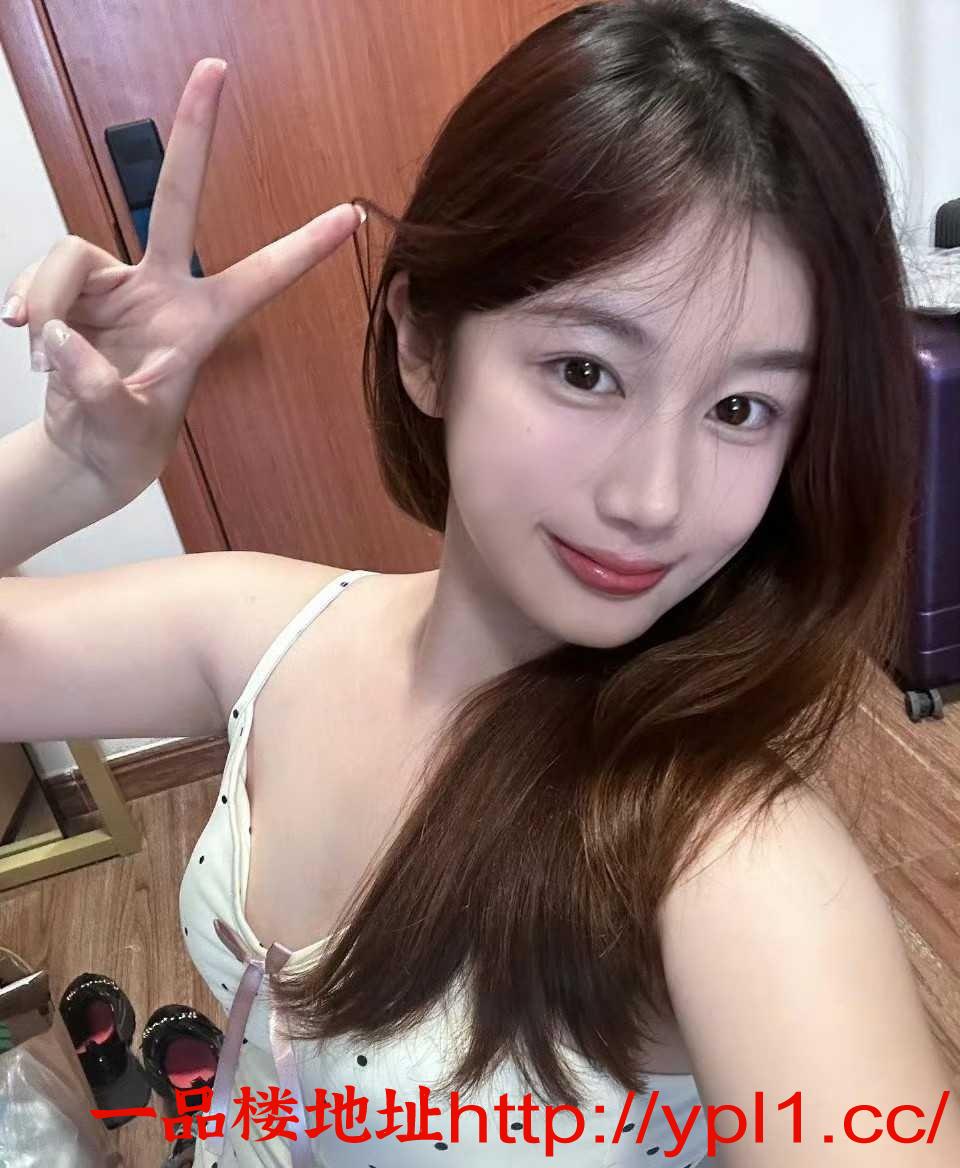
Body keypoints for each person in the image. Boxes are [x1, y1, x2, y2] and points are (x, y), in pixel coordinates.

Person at [1, 2, 958, 1165]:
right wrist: (75, 468)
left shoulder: (726, 856)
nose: (654, 498)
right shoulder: (265, 628)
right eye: (586, 370)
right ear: (423, 346)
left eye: (742, 407)